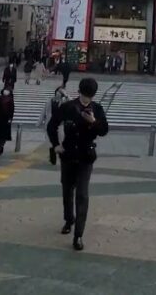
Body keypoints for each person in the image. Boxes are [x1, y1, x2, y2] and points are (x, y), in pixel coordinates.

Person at [46, 77, 110, 251]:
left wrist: (94, 122)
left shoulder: (97, 109)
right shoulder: (67, 107)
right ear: (80, 92)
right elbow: (52, 126)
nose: (87, 99)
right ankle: (69, 219)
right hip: (68, 155)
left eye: (90, 96)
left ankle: (78, 235)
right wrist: (56, 145)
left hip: (86, 156)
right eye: (85, 95)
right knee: (67, 189)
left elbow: (104, 130)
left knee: (82, 194)